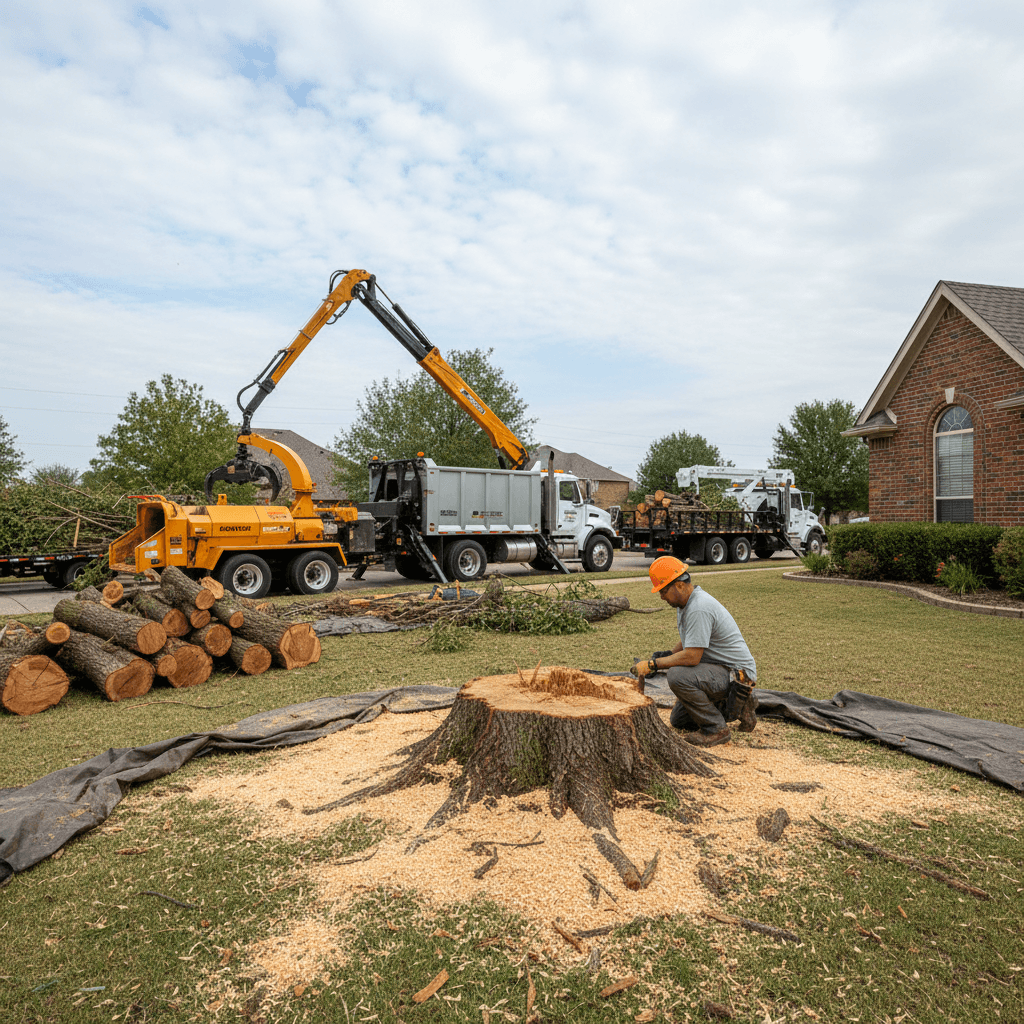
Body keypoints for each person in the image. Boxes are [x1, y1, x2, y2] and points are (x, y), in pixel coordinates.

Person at [632, 555, 758, 747]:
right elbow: (688, 642)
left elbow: (692, 657)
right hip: (721, 670)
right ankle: (739, 707)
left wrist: (654, 664)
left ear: (680, 585)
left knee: (677, 676)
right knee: (679, 720)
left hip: (737, 675)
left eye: (664, 590)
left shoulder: (699, 608)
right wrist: (667, 655)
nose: (661, 596)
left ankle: (717, 729)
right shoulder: (685, 604)